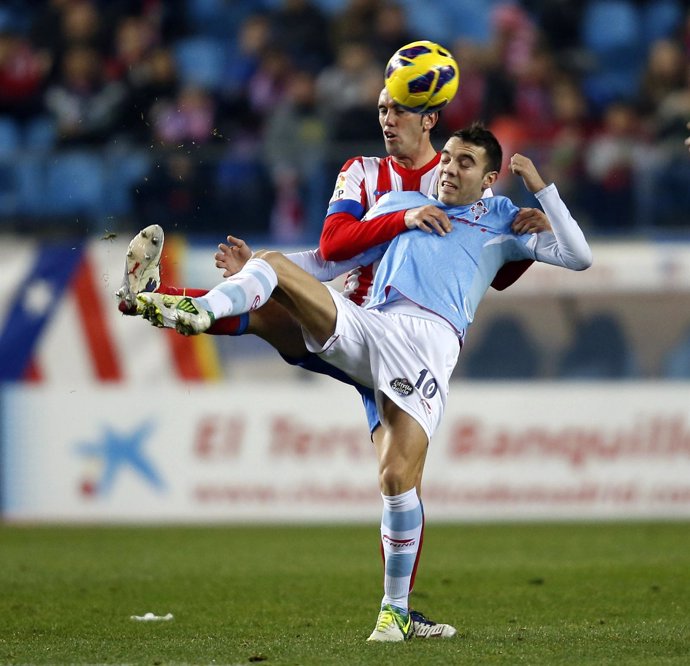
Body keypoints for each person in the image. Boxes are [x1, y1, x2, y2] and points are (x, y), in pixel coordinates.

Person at [117, 86, 550, 640]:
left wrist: (524, 232)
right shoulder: (366, 175)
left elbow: (489, 265)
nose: (387, 120)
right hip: (356, 322)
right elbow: (332, 247)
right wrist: (401, 221)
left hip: (403, 345)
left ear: (430, 120)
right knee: (272, 309)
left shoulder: (458, 185)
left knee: (399, 477)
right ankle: (166, 299)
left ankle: (398, 610)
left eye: (398, 111)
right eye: (382, 110)